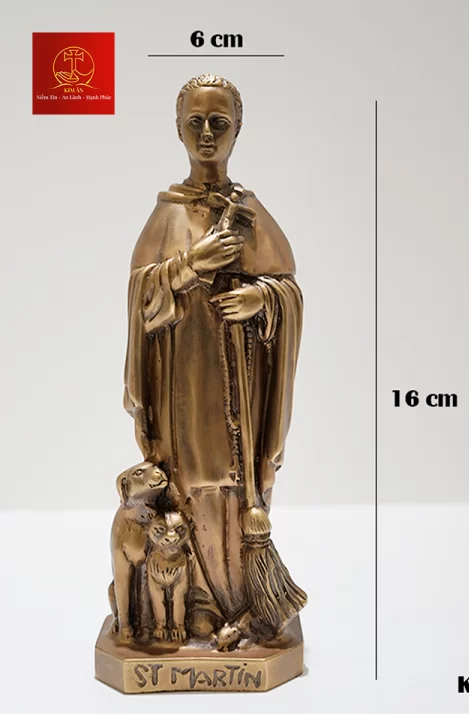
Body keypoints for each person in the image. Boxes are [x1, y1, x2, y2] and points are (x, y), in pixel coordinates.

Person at [123, 74, 303, 639]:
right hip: (183, 384)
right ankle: (196, 600)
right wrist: (190, 265)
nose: (206, 134)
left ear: (237, 130)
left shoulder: (248, 209)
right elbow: (141, 297)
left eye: (219, 123)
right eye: (195, 122)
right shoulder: (168, 214)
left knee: (237, 483)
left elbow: (289, 288)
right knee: (189, 480)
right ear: (178, 129)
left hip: (239, 387)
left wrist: (261, 299)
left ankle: (241, 601)